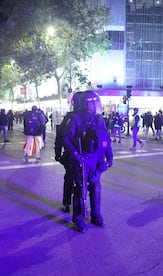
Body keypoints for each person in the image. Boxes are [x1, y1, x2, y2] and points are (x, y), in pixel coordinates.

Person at [63, 90, 113, 232]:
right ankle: (78, 218)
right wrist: (75, 155)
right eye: (94, 102)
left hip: (97, 160)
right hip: (83, 159)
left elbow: (106, 140)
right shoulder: (75, 119)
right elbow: (66, 138)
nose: (96, 105)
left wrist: (109, 155)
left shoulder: (99, 119)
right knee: (80, 190)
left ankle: (96, 214)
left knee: (96, 188)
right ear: (87, 103)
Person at [55, 92, 83, 213]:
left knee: (70, 179)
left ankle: (67, 203)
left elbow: (60, 136)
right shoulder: (88, 117)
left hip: (73, 155)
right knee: (80, 180)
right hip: (82, 155)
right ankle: (77, 204)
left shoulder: (70, 117)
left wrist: (58, 153)